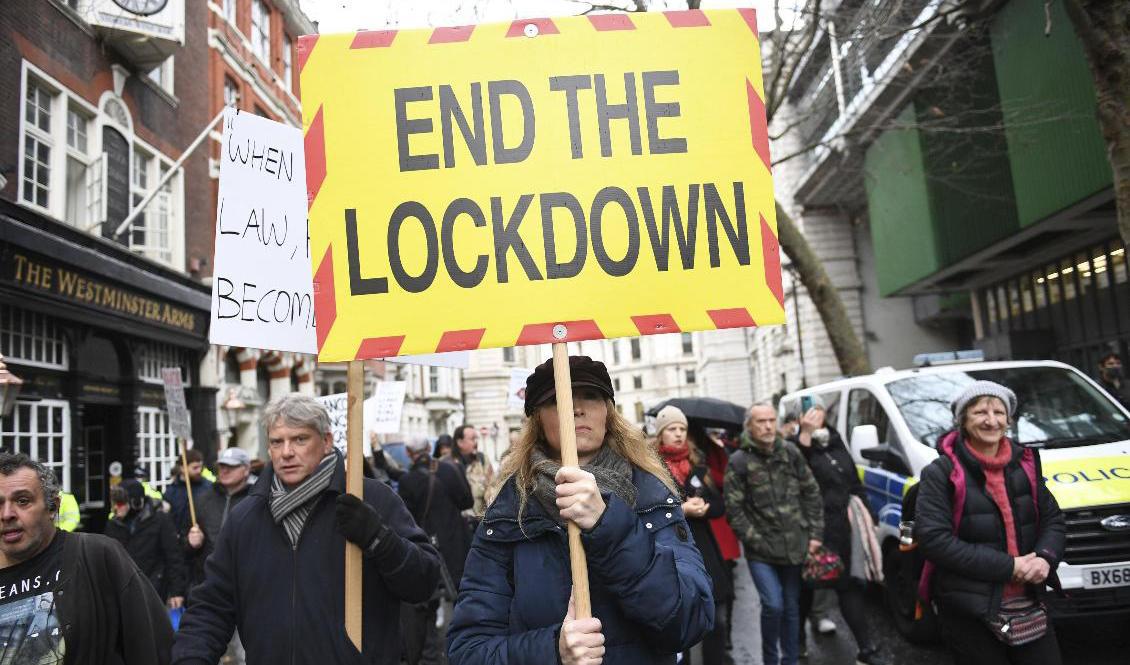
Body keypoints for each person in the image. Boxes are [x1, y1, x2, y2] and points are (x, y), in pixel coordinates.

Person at [448, 355, 715, 665]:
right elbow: (468, 650)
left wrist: (610, 528)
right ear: (538, 421)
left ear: (608, 413)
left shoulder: (652, 495)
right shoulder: (509, 513)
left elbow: (689, 621)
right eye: (557, 399)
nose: (576, 408)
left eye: (590, 395)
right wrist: (552, 650)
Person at [172, 393, 441, 665]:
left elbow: (424, 581)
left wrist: (379, 539)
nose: (287, 452)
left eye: (300, 439)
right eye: (277, 442)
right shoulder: (246, 518)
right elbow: (212, 606)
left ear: (326, 441)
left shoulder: (370, 499)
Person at [916, 382, 1066, 665]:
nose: (991, 420)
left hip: (1029, 602)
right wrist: (1010, 567)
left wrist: (1046, 558)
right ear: (962, 420)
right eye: (980, 412)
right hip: (969, 609)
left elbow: (1053, 520)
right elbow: (934, 540)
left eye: (999, 412)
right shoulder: (941, 473)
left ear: (1008, 421)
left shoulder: (1026, 464)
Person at [0, 452, 172, 664]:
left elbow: (155, 647)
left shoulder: (98, 556)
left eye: (22, 501)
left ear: (52, 507)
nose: (7, 514)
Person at [787, 400, 888, 665]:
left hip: (843, 526)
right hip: (812, 528)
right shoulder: (796, 445)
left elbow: (853, 481)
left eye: (818, 410)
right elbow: (798, 469)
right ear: (799, 417)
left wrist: (868, 513)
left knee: (849, 586)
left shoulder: (834, 439)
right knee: (807, 588)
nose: (815, 415)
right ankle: (798, 645)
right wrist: (805, 433)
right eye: (809, 411)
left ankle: (866, 650)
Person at [725, 402, 822, 665]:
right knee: (773, 605)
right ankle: (771, 659)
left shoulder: (790, 452)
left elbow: (811, 492)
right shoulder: (739, 461)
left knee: (791, 608)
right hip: (762, 551)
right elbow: (734, 511)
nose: (767, 426)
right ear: (749, 426)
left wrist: (815, 535)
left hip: (795, 545)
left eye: (771, 420)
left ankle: (789, 659)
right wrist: (756, 540)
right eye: (760, 421)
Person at [654, 406, 733, 665]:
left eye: (682, 429)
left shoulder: (698, 465)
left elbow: (721, 504)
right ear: (660, 434)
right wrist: (681, 510)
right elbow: (646, 511)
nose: (678, 434)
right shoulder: (652, 469)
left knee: (718, 619)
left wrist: (705, 508)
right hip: (672, 551)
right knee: (681, 624)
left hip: (706, 550)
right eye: (671, 429)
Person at [398, 436, 474, 665]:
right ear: (429, 449)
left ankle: (432, 654)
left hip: (426, 547)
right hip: (454, 544)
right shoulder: (450, 470)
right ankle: (464, 649)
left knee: (428, 605)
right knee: (463, 599)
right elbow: (466, 501)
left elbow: (406, 518)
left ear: (410, 453)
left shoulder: (407, 480)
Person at [104, 478, 187, 610]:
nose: (115, 507)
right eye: (114, 503)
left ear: (134, 502)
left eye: (119, 503)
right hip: (124, 592)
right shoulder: (113, 524)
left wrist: (177, 591)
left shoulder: (161, 520)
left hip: (156, 589)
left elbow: (174, 556)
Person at [164, 449, 213, 533]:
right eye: (195, 468)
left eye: (200, 467)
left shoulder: (208, 487)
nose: (199, 470)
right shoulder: (172, 490)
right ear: (182, 468)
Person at [451, 425, 493, 519]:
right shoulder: (449, 464)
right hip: (458, 523)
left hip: (480, 520)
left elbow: (492, 485)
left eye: (476, 438)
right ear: (460, 442)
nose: (476, 442)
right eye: (472, 439)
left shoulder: (482, 460)